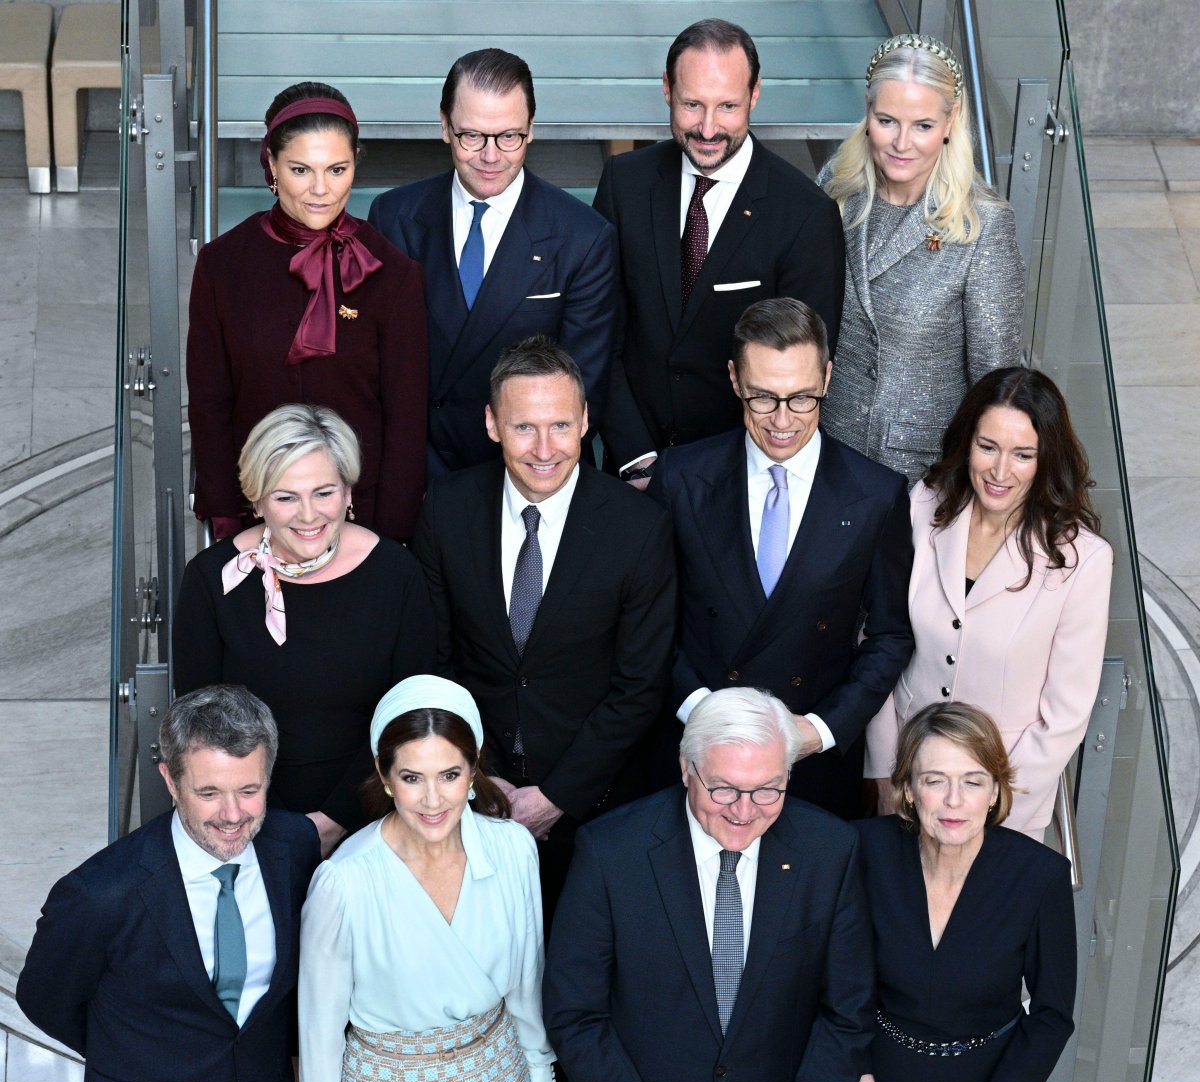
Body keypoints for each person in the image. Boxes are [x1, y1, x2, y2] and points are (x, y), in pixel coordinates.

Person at [544, 687, 874, 1082]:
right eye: (724, 789)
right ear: (685, 768)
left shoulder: (829, 851)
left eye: (769, 789)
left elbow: (848, 1016)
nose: (744, 812)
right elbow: (575, 1015)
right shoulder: (610, 852)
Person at [16, 686, 321, 1082]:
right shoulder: (99, 894)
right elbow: (45, 1000)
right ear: (170, 781)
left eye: (249, 790)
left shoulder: (293, 847)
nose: (232, 815)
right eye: (209, 793)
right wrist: (138, 1054)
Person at [411, 335, 676, 917]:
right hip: (466, 801)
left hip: (597, 810)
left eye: (559, 425)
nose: (543, 449)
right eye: (523, 427)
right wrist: (482, 779)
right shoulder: (446, 509)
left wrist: (556, 798)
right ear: (491, 424)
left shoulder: (639, 529)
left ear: (585, 421)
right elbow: (433, 660)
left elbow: (640, 686)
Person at [293, 675, 556, 1082]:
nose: (433, 800)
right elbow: (318, 1030)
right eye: (412, 777)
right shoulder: (344, 881)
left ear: (474, 767)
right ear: (385, 777)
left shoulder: (514, 851)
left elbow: (528, 984)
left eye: (450, 775)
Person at [649, 297, 913, 817]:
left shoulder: (876, 494)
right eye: (763, 399)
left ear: (828, 378)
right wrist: (703, 712)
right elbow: (646, 622)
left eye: (802, 399)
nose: (783, 421)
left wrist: (818, 730)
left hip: (811, 765)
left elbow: (891, 636)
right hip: (694, 752)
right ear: (734, 380)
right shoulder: (681, 478)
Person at [816, 701, 1076, 1082]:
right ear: (908, 789)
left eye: (973, 781)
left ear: (997, 790)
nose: (954, 800)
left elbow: (1050, 1018)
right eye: (935, 780)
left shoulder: (1039, 876)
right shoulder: (860, 850)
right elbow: (830, 989)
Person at [175, 404, 436, 856]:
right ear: (256, 501)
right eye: (285, 497)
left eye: (324, 492)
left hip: (377, 816)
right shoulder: (211, 579)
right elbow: (203, 728)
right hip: (246, 822)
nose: (309, 515)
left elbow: (410, 716)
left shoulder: (397, 574)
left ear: (349, 492)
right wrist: (263, 825)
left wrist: (334, 820)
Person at [864, 367, 1113, 837]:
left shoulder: (1085, 561)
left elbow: (1066, 714)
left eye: (1023, 455)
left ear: (1046, 460)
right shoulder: (923, 507)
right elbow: (880, 642)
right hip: (908, 787)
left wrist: (995, 811)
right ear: (966, 442)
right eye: (988, 447)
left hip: (1006, 805)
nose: (1000, 472)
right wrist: (884, 773)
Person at [594, 18, 846, 479]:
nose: (708, 128)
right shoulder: (624, 183)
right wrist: (634, 456)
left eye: (727, 106)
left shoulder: (805, 214)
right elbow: (599, 333)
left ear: (754, 95)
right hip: (631, 469)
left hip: (739, 478)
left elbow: (801, 373)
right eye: (692, 104)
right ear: (667, 89)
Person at [188, 80, 428, 541]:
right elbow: (210, 400)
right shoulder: (222, 265)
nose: (321, 190)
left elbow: (405, 420)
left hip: (360, 516)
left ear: (356, 163)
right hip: (255, 508)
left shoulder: (395, 274)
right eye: (301, 169)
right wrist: (222, 512)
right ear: (271, 166)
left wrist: (391, 536)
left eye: (337, 169)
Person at [368, 49, 617, 475]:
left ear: (531, 130)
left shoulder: (584, 236)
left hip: (526, 475)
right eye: (472, 136)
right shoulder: (393, 217)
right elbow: (376, 364)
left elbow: (581, 386)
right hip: (416, 471)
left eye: (509, 136)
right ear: (445, 126)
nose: (490, 156)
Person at [818, 34, 1024, 484]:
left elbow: (997, 382)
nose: (902, 143)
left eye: (923, 126)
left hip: (921, 475)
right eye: (887, 120)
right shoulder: (836, 188)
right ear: (867, 112)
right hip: (824, 453)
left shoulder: (982, 226)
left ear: (951, 122)